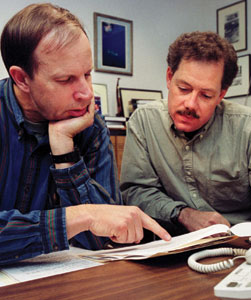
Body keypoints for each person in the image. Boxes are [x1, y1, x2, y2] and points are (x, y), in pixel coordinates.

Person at [0, 3, 170, 265]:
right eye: (66, 80)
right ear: (21, 79)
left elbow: (103, 240)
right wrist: (82, 216)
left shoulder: (89, 124)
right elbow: (93, 218)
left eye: (87, 74)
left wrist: (65, 153)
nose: (87, 93)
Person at [120, 31, 251, 237]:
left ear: (221, 94)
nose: (190, 104)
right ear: (169, 78)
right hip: (176, 244)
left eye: (206, 95)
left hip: (244, 244)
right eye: (184, 88)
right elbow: (136, 191)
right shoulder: (144, 122)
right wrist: (184, 215)